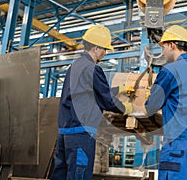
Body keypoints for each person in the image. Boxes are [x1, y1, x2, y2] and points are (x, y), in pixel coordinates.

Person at [51, 25, 133, 180]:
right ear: (96, 48)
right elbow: (106, 100)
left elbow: (90, 92)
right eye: (104, 49)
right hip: (81, 134)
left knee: (60, 174)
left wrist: (119, 89)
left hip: (64, 133)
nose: (105, 53)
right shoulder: (93, 69)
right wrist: (125, 108)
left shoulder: (75, 67)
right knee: (78, 175)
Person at [144, 25, 187, 180]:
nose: (163, 52)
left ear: (172, 45)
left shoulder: (170, 70)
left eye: (164, 47)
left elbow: (151, 107)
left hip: (178, 146)